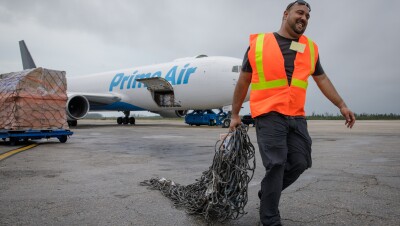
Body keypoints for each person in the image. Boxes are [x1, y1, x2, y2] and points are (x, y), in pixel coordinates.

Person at [229, 1, 356, 225]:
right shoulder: (259, 44)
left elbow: (322, 79)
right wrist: (235, 114)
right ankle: (270, 219)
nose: (304, 18)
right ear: (286, 14)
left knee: (301, 161)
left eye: (308, 16)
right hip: (268, 114)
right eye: (300, 12)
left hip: (297, 116)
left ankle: (268, 191)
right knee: (276, 163)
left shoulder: (310, 48)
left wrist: (342, 105)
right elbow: (243, 81)